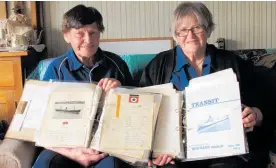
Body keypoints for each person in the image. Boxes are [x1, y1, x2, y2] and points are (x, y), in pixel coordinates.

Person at [140, 2, 268, 168]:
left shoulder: (231, 62)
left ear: (208, 29)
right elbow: (142, 112)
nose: (190, 35)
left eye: (197, 27)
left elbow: (262, 104)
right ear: (175, 35)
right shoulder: (158, 65)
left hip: (224, 151)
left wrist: (255, 115)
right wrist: (155, 151)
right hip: (174, 154)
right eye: (183, 30)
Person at [33, 4, 133, 168]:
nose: (88, 40)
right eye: (80, 34)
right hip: (65, 146)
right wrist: (72, 153)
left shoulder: (116, 64)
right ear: (66, 36)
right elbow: (38, 122)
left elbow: (138, 107)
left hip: (106, 145)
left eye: (93, 33)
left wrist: (122, 90)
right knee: (46, 164)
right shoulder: (56, 69)